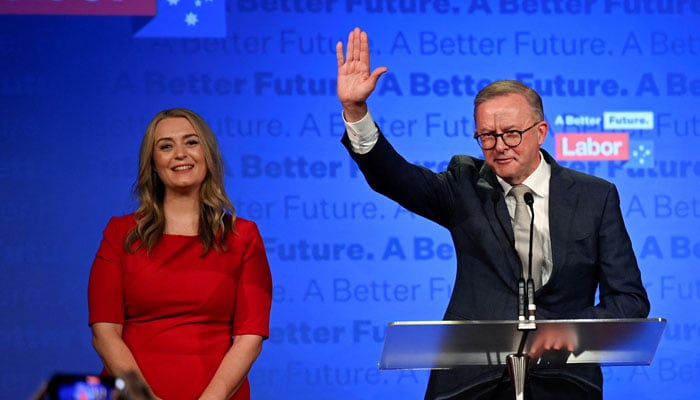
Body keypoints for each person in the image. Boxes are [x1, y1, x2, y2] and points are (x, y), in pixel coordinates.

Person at [336, 27, 650, 399]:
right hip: (470, 383)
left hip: (562, 382)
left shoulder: (595, 196)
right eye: (487, 136)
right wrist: (356, 111)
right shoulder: (463, 186)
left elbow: (629, 300)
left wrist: (572, 328)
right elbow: (394, 177)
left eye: (512, 133)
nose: (499, 147)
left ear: (541, 131)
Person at [87, 108, 273, 400]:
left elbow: (250, 338)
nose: (179, 154)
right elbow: (104, 333)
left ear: (208, 155)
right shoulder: (119, 234)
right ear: (153, 164)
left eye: (191, 142)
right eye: (165, 146)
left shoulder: (243, 236)